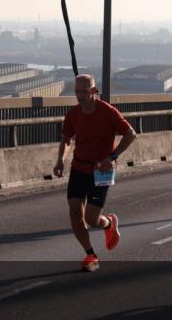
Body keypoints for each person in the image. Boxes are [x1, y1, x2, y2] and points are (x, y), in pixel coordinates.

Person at [53, 74, 137, 272]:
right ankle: (90, 254)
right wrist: (60, 160)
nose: (80, 96)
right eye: (77, 91)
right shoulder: (73, 114)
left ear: (93, 91)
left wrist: (112, 157)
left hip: (101, 169)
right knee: (74, 211)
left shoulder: (107, 111)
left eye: (84, 91)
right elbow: (66, 140)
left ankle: (108, 224)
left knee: (92, 219)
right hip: (79, 167)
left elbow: (131, 134)